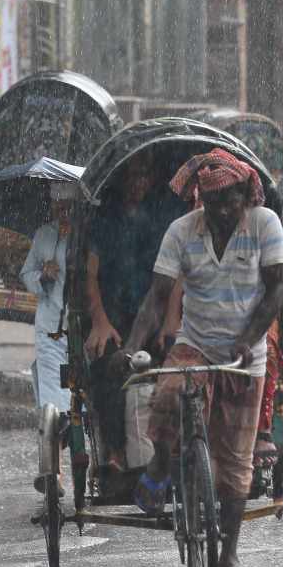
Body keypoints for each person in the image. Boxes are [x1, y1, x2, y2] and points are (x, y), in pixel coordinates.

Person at [122, 150, 283, 567]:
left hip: (245, 353)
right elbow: (157, 297)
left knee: (236, 466)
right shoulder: (182, 231)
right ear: (200, 199)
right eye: (213, 203)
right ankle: (160, 466)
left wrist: (248, 338)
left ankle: (228, 556)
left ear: (245, 196)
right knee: (168, 394)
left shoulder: (265, 225)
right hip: (194, 343)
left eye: (230, 201)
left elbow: (277, 290)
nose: (222, 211)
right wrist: (133, 345)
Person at [83, 150, 184, 463]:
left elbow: (175, 273)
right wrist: (100, 321)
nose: (138, 183)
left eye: (144, 175)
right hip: (114, 316)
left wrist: (169, 321)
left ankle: (177, 452)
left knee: (178, 371)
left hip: (156, 314)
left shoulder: (162, 217)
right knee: (109, 371)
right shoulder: (104, 218)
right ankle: (115, 454)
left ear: (152, 179)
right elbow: (89, 274)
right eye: (132, 175)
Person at [21, 182, 77, 411]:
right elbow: (27, 273)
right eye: (58, 207)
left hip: (79, 328)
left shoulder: (87, 234)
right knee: (53, 392)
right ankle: (57, 426)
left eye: (67, 207)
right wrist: (43, 277)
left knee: (77, 391)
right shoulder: (44, 234)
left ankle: (75, 427)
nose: (63, 213)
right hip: (50, 325)